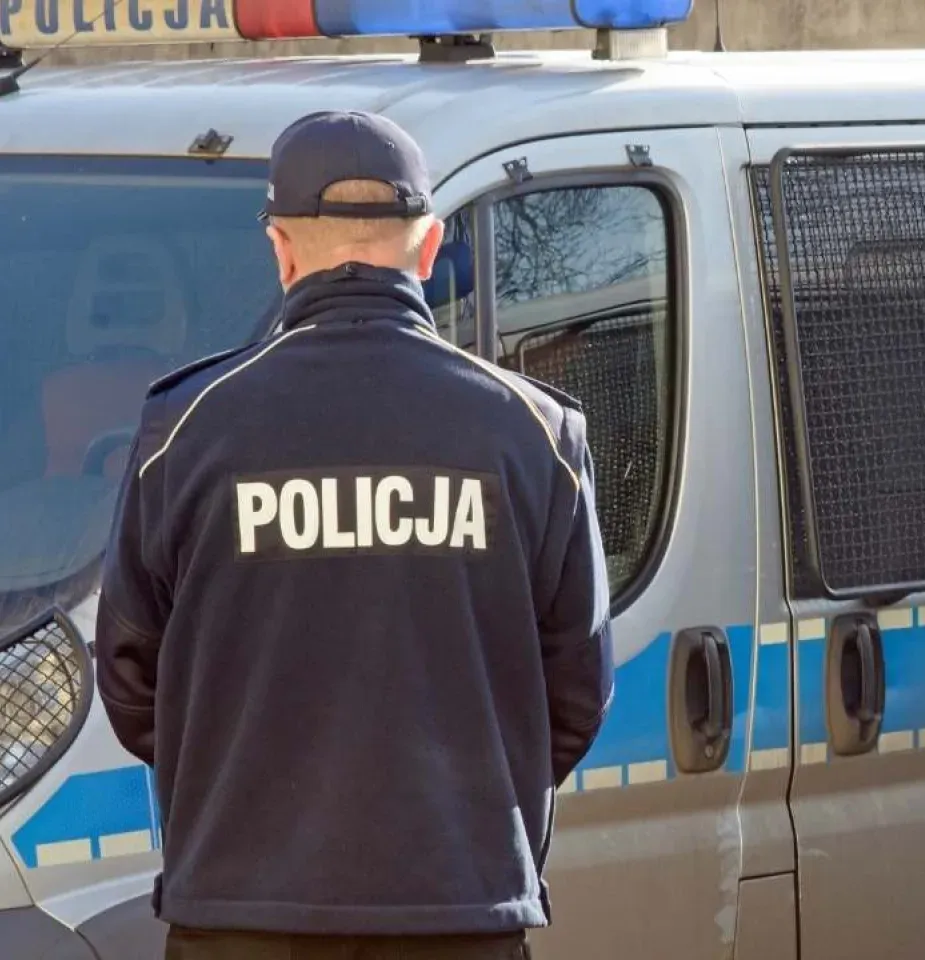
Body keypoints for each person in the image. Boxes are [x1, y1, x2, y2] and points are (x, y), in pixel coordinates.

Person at [94, 109, 615, 960]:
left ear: (280, 249)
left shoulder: (184, 428)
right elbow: (578, 690)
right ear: (430, 245)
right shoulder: (535, 432)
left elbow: (129, 679)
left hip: (240, 915)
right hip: (460, 911)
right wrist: (465, 811)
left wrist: (240, 789)